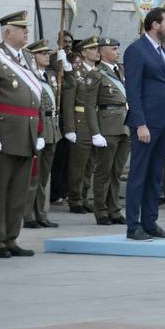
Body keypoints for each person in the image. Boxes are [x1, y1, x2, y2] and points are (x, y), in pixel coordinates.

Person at [123, 7, 165, 240]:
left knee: (155, 175)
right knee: (139, 175)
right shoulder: (137, 50)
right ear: (154, 24)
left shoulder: (161, 51)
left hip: (162, 122)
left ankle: (150, 221)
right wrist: (139, 123)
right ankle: (133, 225)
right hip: (146, 123)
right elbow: (133, 90)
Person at [0, 11, 40, 257]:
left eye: (26, 28)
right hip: (4, 133)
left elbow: (35, 97)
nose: (26, 32)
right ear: (8, 32)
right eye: (21, 29)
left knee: (19, 191)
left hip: (27, 132)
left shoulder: (28, 58)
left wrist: (39, 130)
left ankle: (11, 237)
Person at [89, 38, 131, 225]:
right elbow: (89, 106)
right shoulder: (97, 74)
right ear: (102, 52)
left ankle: (114, 209)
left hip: (124, 125)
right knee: (103, 172)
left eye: (117, 49)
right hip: (107, 125)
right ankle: (101, 210)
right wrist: (95, 132)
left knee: (117, 171)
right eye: (113, 49)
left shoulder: (121, 71)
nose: (117, 52)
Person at [61, 37, 101, 214]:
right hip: (81, 121)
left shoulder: (100, 72)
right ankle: (75, 199)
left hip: (96, 122)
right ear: (84, 52)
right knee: (79, 164)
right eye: (93, 48)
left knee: (91, 163)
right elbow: (68, 102)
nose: (97, 51)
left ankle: (84, 196)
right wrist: (69, 128)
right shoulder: (76, 73)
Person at [22, 40, 60, 230]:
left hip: (51, 128)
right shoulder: (30, 76)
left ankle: (40, 214)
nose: (47, 56)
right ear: (33, 56)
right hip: (39, 128)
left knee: (44, 177)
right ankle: (28, 215)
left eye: (48, 53)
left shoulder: (49, 75)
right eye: (42, 53)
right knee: (33, 176)